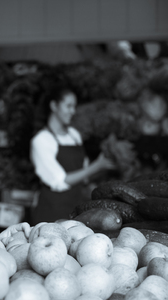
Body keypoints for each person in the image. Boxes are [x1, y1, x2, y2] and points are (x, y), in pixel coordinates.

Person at [30, 79, 115, 225]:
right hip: (51, 213)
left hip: (76, 210)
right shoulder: (42, 140)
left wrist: (106, 166)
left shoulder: (74, 135)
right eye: (68, 106)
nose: (73, 111)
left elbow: (84, 174)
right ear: (54, 106)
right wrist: (97, 166)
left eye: (74, 106)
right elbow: (60, 181)